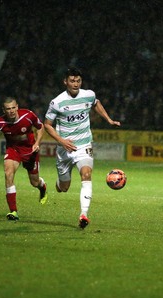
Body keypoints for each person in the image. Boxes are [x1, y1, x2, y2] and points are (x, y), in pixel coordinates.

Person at [44, 67, 121, 229]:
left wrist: (108, 119)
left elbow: (96, 103)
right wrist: (61, 141)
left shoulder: (88, 94)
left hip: (84, 144)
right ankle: (59, 183)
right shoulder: (57, 102)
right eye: (72, 80)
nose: (75, 84)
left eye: (78, 81)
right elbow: (47, 125)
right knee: (63, 188)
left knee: (86, 174)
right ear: (65, 81)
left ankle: (83, 214)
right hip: (64, 149)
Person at [0, 97, 47, 221]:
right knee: (8, 173)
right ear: (4, 110)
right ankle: (13, 211)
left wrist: (37, 142)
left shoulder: (28, 115)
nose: (11, 111)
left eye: (13, 107)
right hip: (13, 150)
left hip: (30, 151)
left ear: (17, 107)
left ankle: (42, 186)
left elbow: (40, 127)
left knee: (34, 182)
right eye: (8, 109)